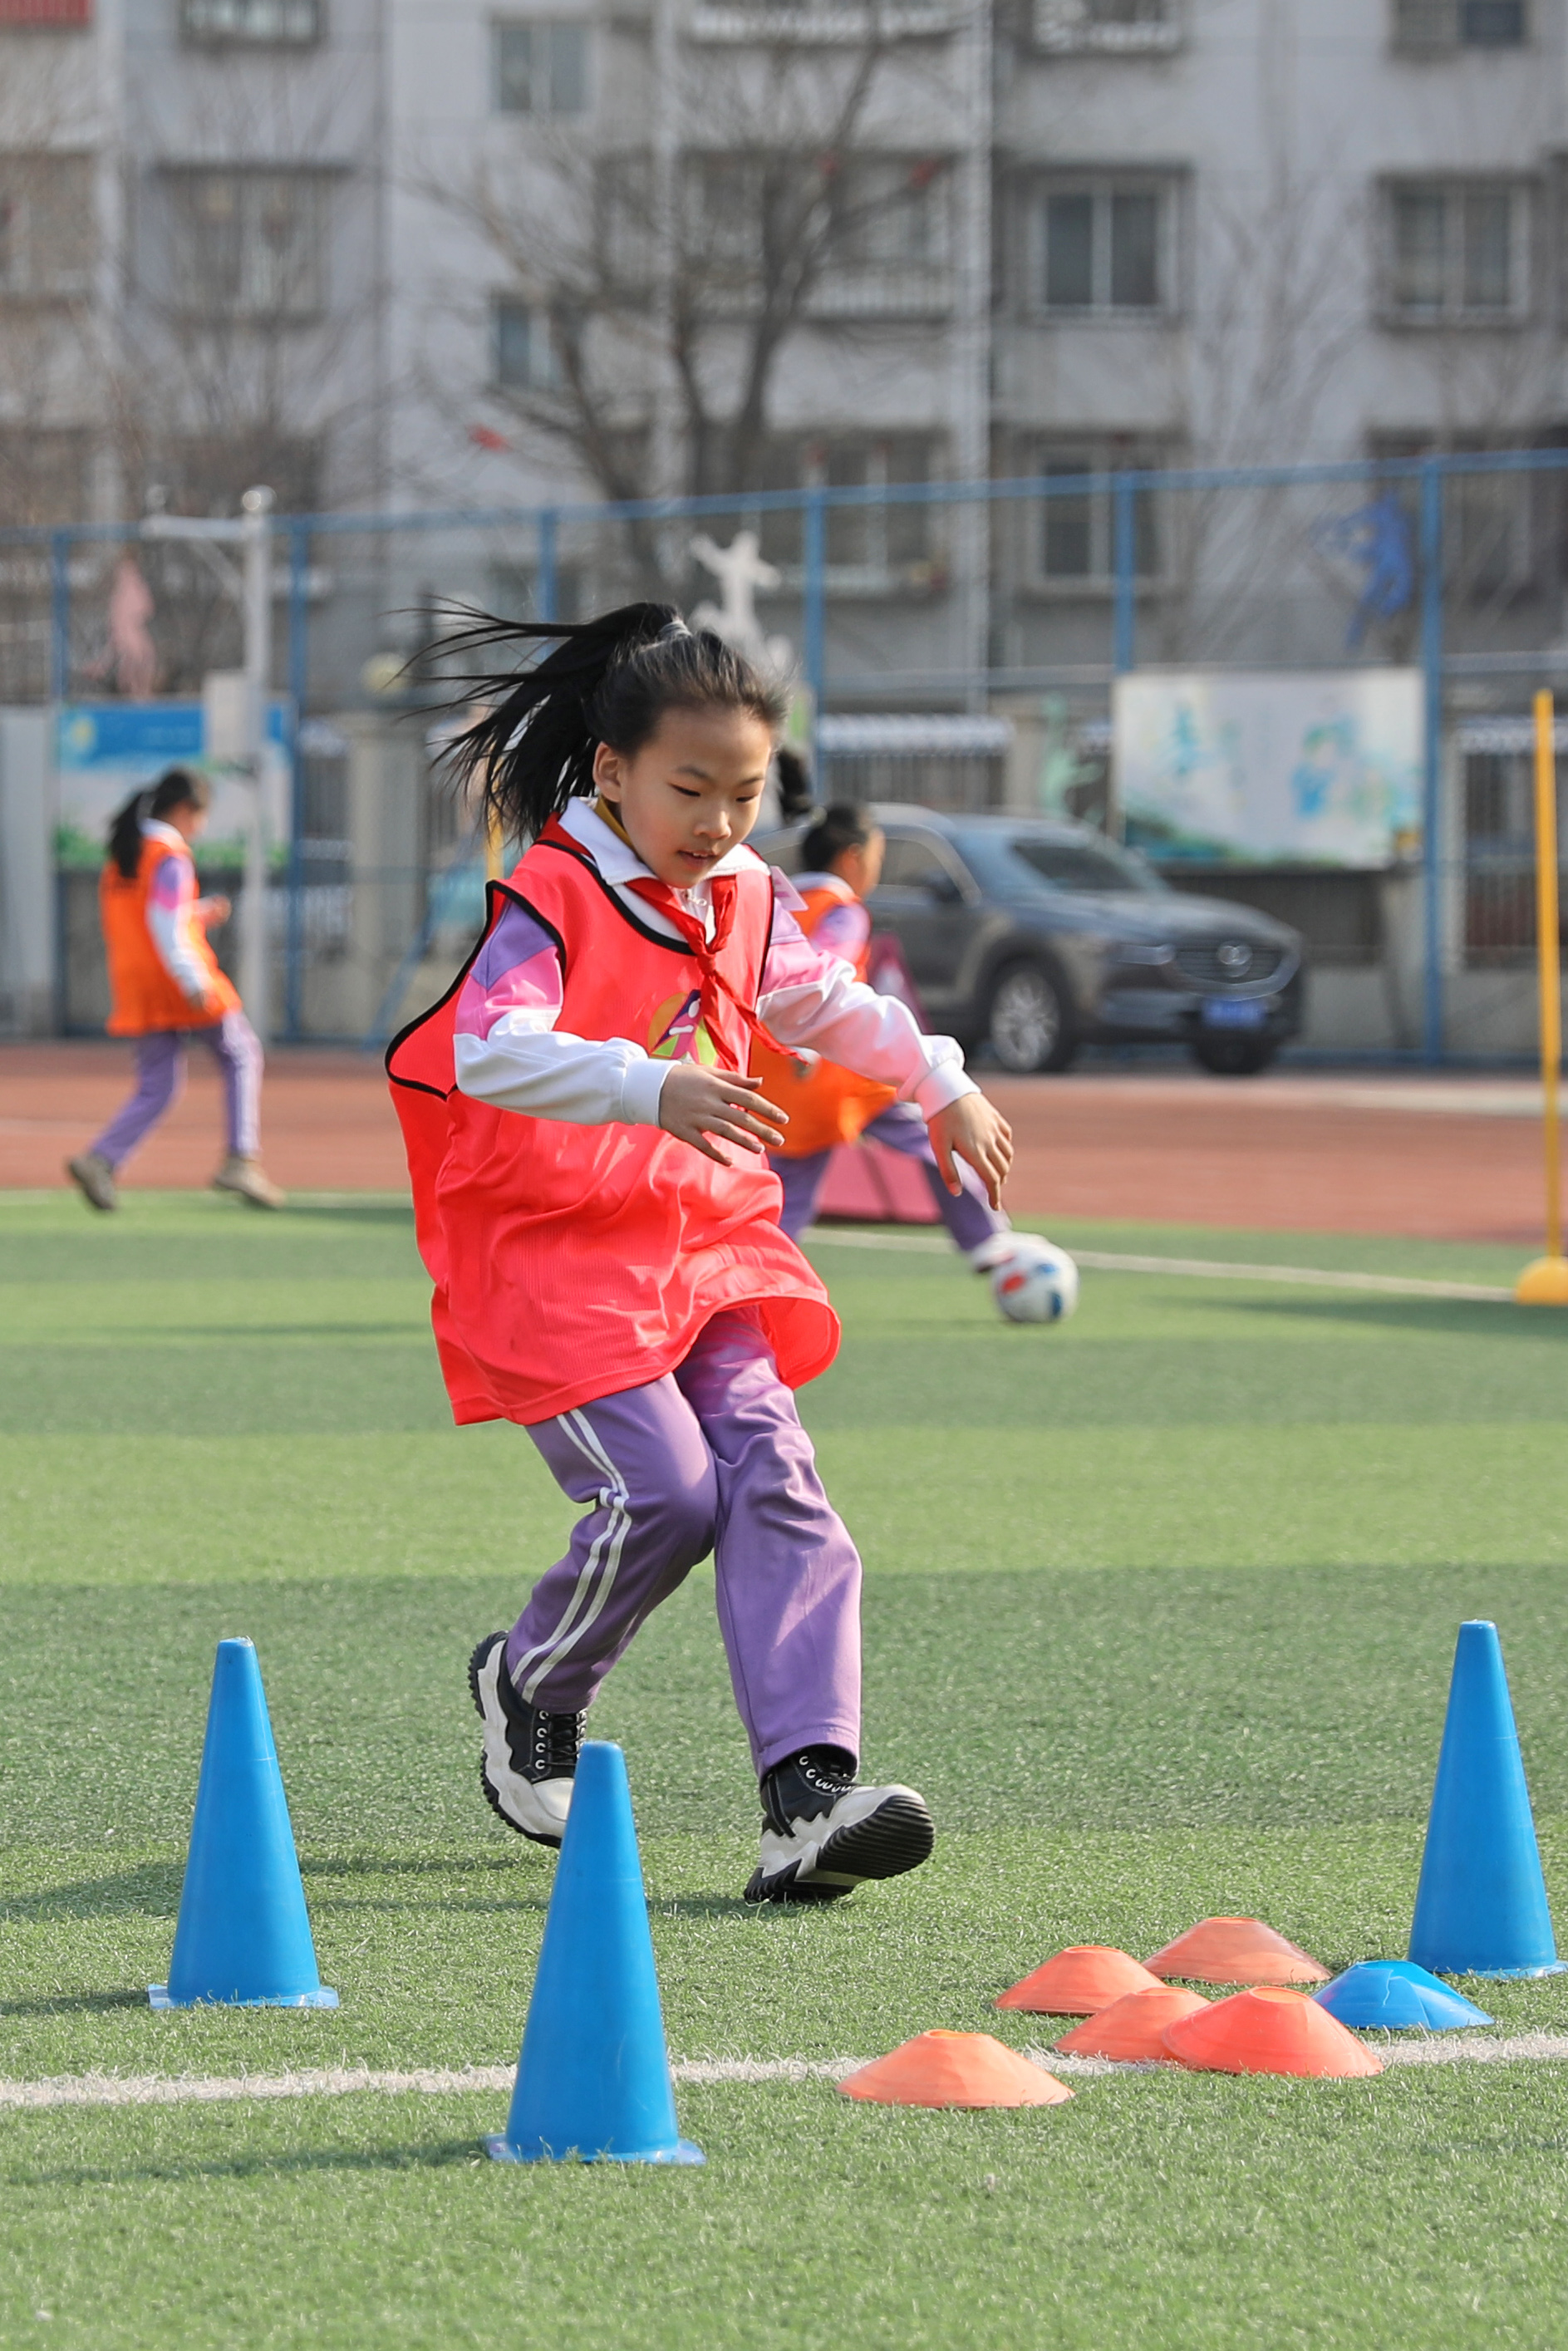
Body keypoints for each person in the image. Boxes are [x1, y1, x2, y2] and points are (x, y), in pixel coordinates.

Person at [389, 603, 1016, 1903]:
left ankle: (810, 1796)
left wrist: (936, 1076)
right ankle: (530, 1685)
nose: (720, 822)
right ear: (612, 773)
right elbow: (486, 1045)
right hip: (554, 1246)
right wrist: (647, 1086)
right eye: (691, 789)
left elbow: (819, 999)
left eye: (745, 794)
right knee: (666, 1497)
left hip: (701, 1237)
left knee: (777, 1472)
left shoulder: (742, 892)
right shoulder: (553, 892)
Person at [758, 800, 1021, 1278]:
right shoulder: (842, 913)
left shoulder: (779, 906)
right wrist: (808, 1047)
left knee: (787, 1192)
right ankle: (988, 1242)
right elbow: (821, 974)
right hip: (845, 1073)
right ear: (853, 858)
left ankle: (759, 1273)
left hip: (779, 1075)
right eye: (879, 857)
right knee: (934, 1128)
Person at [66, 767, 283, 1212]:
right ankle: (241, 1157)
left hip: (137, 981)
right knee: (241, 1053)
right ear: (185, 811)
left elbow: (152, 915)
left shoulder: (125, 852)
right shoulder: (169, 854)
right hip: (179, 978)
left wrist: (197, 913)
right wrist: (191, 978)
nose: (200, 827)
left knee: (158, 1085)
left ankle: (102, 1159)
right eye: (201, 816)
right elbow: (164, 922)